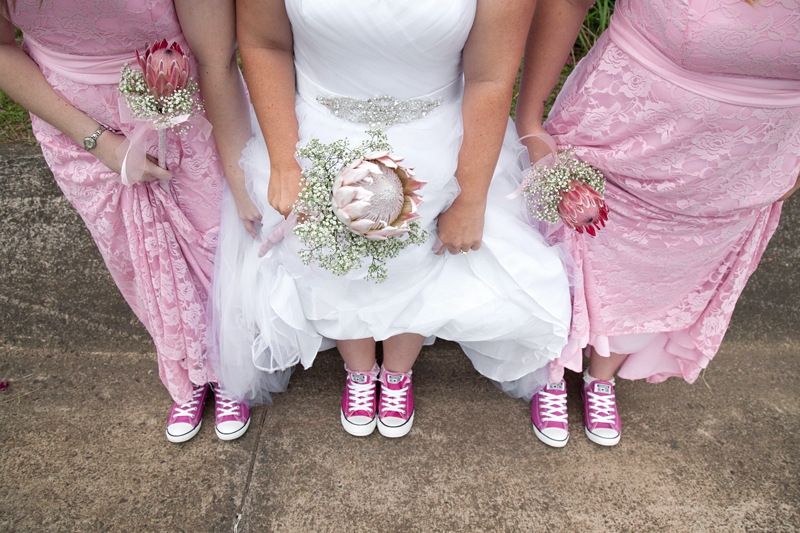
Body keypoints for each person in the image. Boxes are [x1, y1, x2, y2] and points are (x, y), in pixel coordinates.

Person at [210, 0, 572, 438]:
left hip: (441, 135)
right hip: (313, 131)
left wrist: (471, 199)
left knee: (423, 258)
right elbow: (265, 43)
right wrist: (287, 164)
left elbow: (491, 76)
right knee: (327, 257)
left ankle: (398, 372)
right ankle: (359, 370)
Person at [516, 0, 800, 448]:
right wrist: (529, 118)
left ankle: (601, 377)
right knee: (578, 256)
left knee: (665, 275)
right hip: (619, 142)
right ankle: (550, 372)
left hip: (744, 168)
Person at [0, 0, 253, 442]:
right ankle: (187, 370)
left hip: (183, 104)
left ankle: (227, 364)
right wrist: (99, 143)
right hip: (73, 118)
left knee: (211, 239)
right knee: (133, 254)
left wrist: (240, 170)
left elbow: (216, 58)